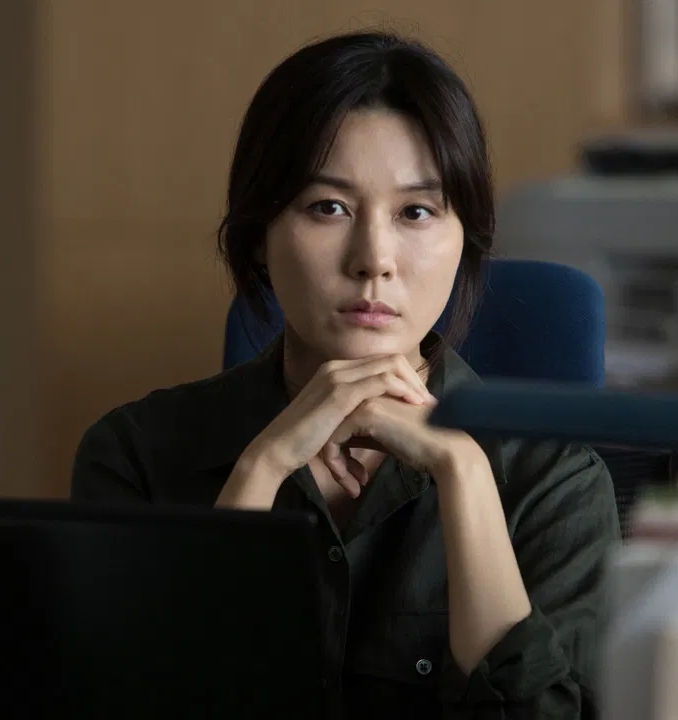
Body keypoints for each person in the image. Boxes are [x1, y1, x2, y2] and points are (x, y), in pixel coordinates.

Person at [71, 30, 619, 719]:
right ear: (259, 237)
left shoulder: (555, 478)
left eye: (416, 212)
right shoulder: (135, 455)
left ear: (466, 241)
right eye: (328, 207)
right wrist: (261, 470)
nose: (373, 259)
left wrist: (464, 473)